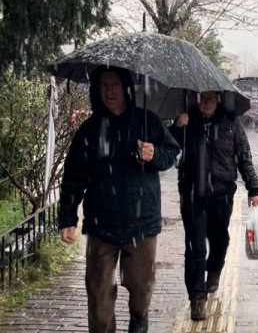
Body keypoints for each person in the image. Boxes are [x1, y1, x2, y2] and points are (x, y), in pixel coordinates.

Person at [57, 66, 181, 333]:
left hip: (142, 223)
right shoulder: (90, 131)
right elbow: (73, 177)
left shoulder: (148, 121)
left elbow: (172, 152)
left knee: (140, 287)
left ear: (126, 88)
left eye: (114, 85)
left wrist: (154, 154)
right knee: (99, 300)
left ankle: (139, 319)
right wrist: (67, 218)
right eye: (103, 86)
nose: (109, 91)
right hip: (102, 224)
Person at [170, 91, 258, 321]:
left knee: (220, 240)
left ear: (219, 99)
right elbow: (167, 149)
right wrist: (177, 127)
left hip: (221, 193)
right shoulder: (187, 120)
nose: (207, 103)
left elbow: (244, 156)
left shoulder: (230, 122)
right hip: (192, 193)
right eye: (203, 98)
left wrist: (254, 188)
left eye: (212, 98)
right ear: (196, 99)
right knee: (196, 246)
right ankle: (197, 298)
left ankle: (215, 269)